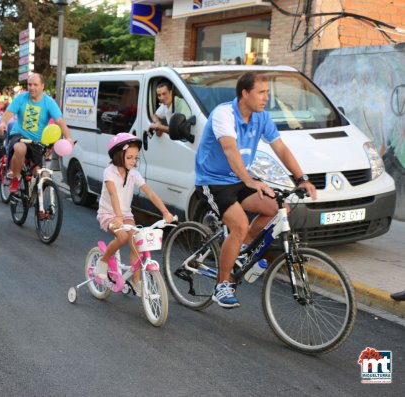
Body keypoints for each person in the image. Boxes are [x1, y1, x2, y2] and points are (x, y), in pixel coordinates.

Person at [194, 72, 317, 309]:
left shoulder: (261, 117)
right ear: (245, 93)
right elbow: (230, 149)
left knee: (278, 208)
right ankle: (222, 285)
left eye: (267, 93)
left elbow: (280, 148)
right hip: (213, 180)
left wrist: (302, 179)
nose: (266, 98)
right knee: (239, 224)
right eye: (261, 92)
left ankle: (240, 248)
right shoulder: (224, 114)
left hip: (241, 179)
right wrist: (250, 180)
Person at [95, 133, 175, 294]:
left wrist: (166, 212)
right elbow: (113, 195)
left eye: (135, 158)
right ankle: (102, 261)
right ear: (119, 156)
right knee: (123, 237)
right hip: (108, 214)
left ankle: (136, 280)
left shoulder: (134, 174)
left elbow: (150, 193)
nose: (134, 161)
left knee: (137, 242)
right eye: (130, 157)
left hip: (126, 216)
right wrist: (118, 217)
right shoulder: (109, 172)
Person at [0, 73, 74, 193]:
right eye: (29, 84)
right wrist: (3, 124)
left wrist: (68, 138)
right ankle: (16, 178)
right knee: (20, 149)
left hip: (37, 141)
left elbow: (60, 121)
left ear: (42, 86)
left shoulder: (49, 102)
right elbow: (6, 116)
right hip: (19, 136)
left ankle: (40, 206)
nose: (32, 87)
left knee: (39, 174)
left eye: (35, 85)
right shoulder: (21, 98)